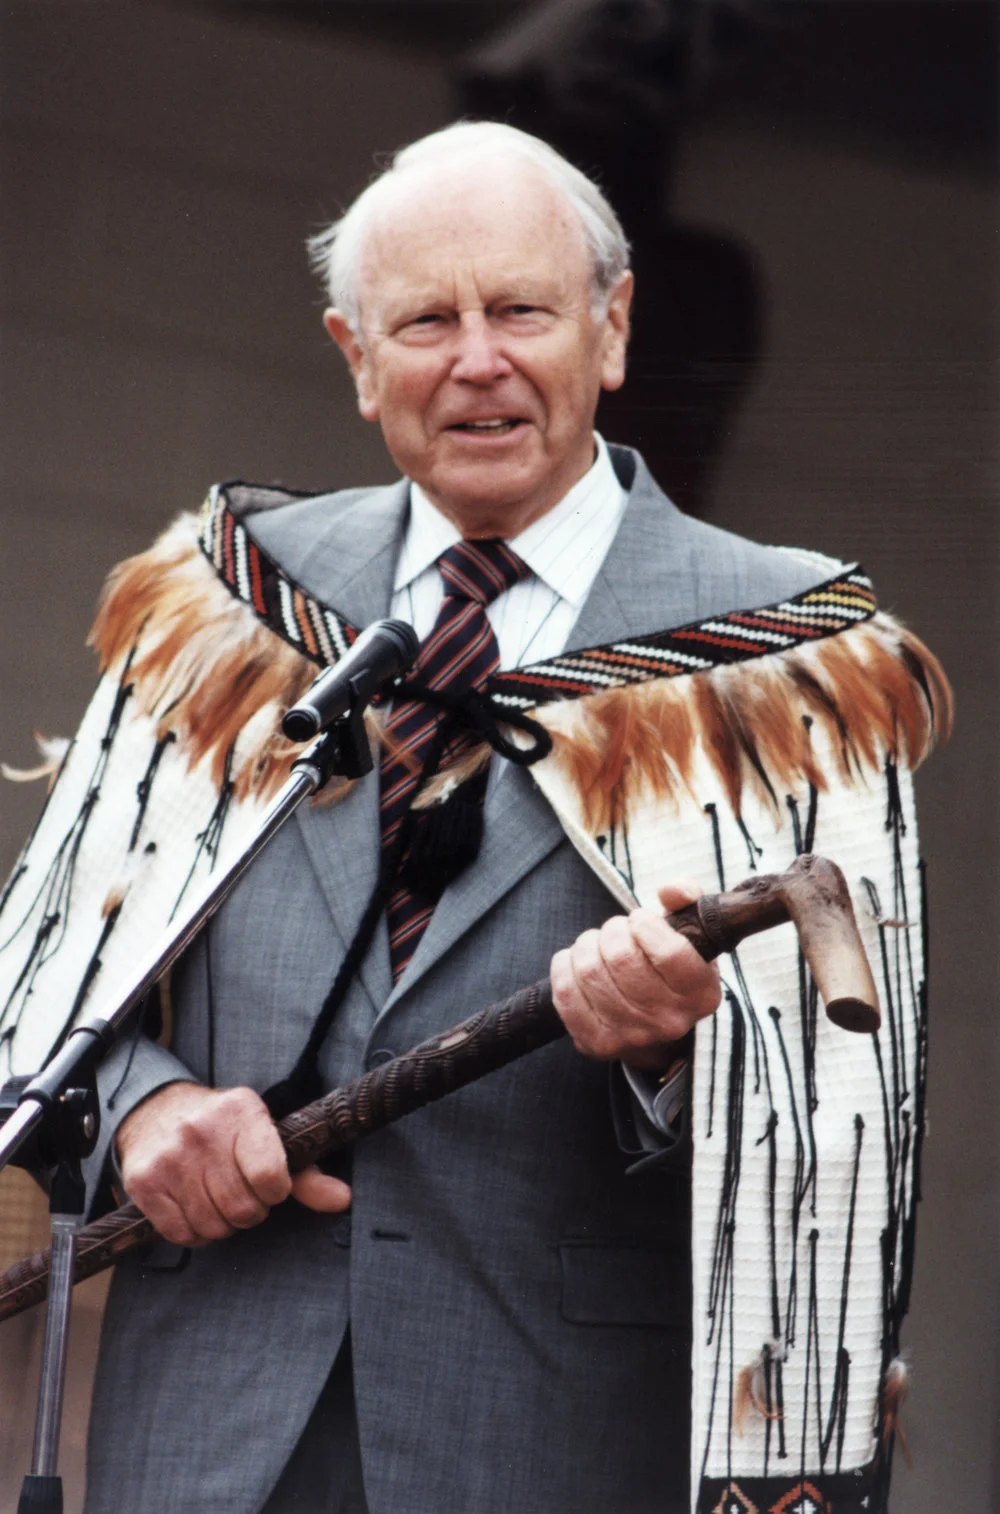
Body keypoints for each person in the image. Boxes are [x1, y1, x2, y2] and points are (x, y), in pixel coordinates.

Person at [1, 122, 944, 1514]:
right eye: (427, 320)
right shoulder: (226, 598)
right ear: (355, 357)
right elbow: (42, 972)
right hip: (206, 1439)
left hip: (554, 1443)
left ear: (612, 330)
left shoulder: (785, 659)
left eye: (520, 309)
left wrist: (666, 1059)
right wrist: (144, 1108)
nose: (478, 358)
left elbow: (835, 1132)